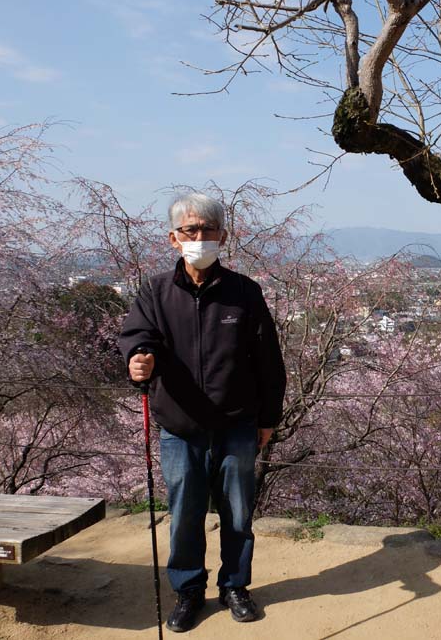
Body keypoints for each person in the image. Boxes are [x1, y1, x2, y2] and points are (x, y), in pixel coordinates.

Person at [119, 192, 286, 632]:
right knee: (185, 514)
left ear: (223, 237)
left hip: (237, 424)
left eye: (207, 230)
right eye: (190, 230)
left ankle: (235, 585)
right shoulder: (155, 291)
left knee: (236, 514)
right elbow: (139, 337)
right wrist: (138, 357)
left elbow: (269, 361)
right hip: (180, 425)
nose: (199, 238)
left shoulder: (244, 293)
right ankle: (189, 590)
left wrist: (268, 418)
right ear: (173, 238)